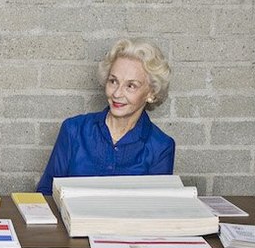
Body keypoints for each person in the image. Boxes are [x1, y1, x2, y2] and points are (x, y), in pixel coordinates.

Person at [35, 38, 174, 195]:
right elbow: (46, 192)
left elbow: (159, 205)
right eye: (113, 81)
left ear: (151, 93)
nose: (117, 93)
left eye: (131, 86)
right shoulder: (74, 130)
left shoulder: (161, 146)